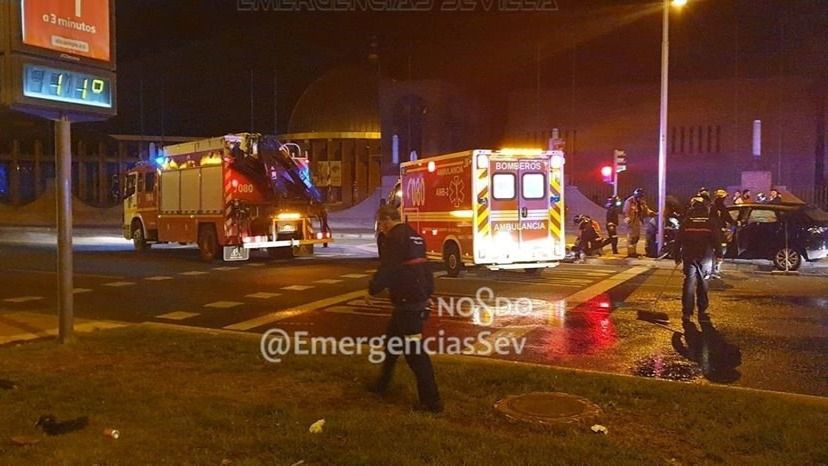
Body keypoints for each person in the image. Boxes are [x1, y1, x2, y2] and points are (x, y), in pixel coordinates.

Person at [368, 205, 442, 413]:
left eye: (381, 224)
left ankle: (432, 402)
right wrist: (428, 294)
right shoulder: (415, 236)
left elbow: (388, 268)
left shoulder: (394, 239)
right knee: (392, 344)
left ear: (386, 221)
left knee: (415, 354)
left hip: (407, 303)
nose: (381, 229)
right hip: (412, 301)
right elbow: (425, 268)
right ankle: (382, 385)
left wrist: (372, 289)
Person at [673, 196, 723, 324]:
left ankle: (687, 313)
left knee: (689, 283)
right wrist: (719, 255)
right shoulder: (710, 222)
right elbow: (716, 240)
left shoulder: (687, 221)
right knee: (703, 282)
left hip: (689, 256)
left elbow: (678, 240)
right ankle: (702, 311)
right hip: (705, 256)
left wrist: (676, 256)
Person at [623, 188, 655, 258]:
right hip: (631, 221)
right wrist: (627, 219)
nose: (640, 198)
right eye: (639, 197)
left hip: (637, 220)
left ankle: (633, 251)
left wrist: (651, 213)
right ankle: (631, 253)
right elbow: (625, 211)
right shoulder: (630, 201)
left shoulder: (641, 201)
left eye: (641, 197)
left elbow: (645, 209)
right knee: (632, 237)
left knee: (637, 236)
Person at [710, 189, 735, 278]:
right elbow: (727, 217)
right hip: (719, 230)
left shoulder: (711, 206)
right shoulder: (721, 206)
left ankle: (712, 268)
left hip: (711, 230)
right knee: (721, 249)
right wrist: (734, 223)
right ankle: (715, 269)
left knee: (714, 250)